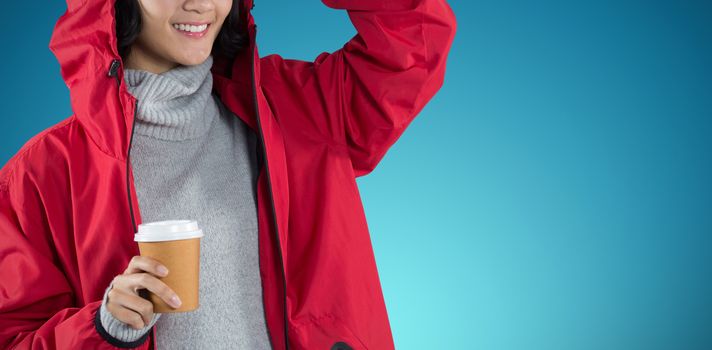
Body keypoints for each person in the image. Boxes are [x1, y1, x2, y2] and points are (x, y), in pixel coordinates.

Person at [0, 0, 457, 349]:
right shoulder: (41, 174)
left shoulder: (299, 111)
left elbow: (414, 43)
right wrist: (104, 327)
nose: (200, 4)